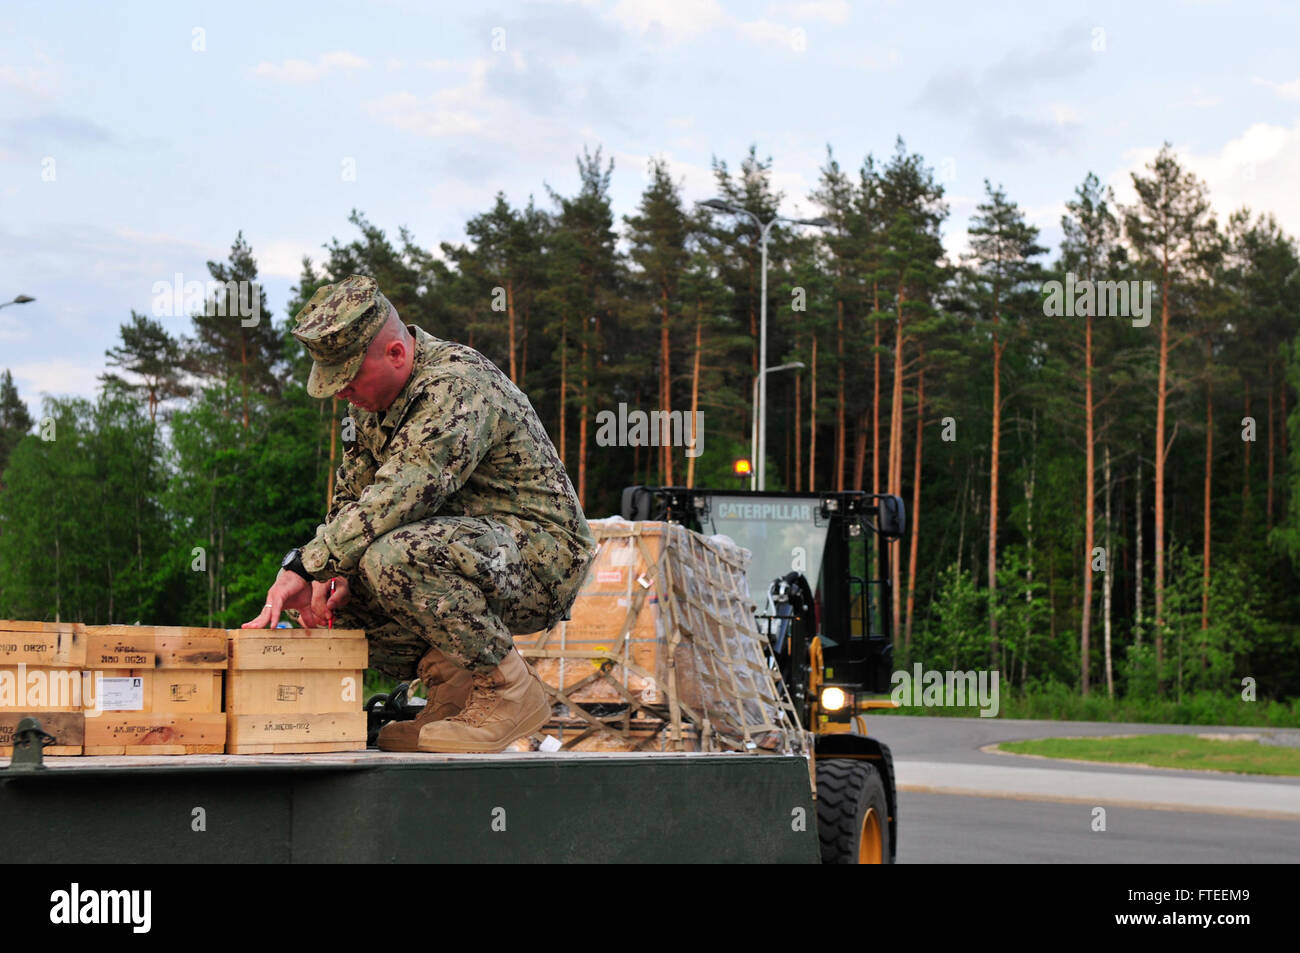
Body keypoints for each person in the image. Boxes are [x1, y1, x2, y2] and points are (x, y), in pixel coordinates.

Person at [242, 275, 596, 753]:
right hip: (464, 552)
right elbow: (352, 500)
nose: (342, 393)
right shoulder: (371, 406)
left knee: (391, 559)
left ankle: (511, 691)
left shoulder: (455, 385)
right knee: (332, 603)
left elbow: (401, 494)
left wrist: (305, 563)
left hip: (540, 557)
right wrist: (330, 576)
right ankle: (452, 692)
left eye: (348, 378)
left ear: (395, 353)